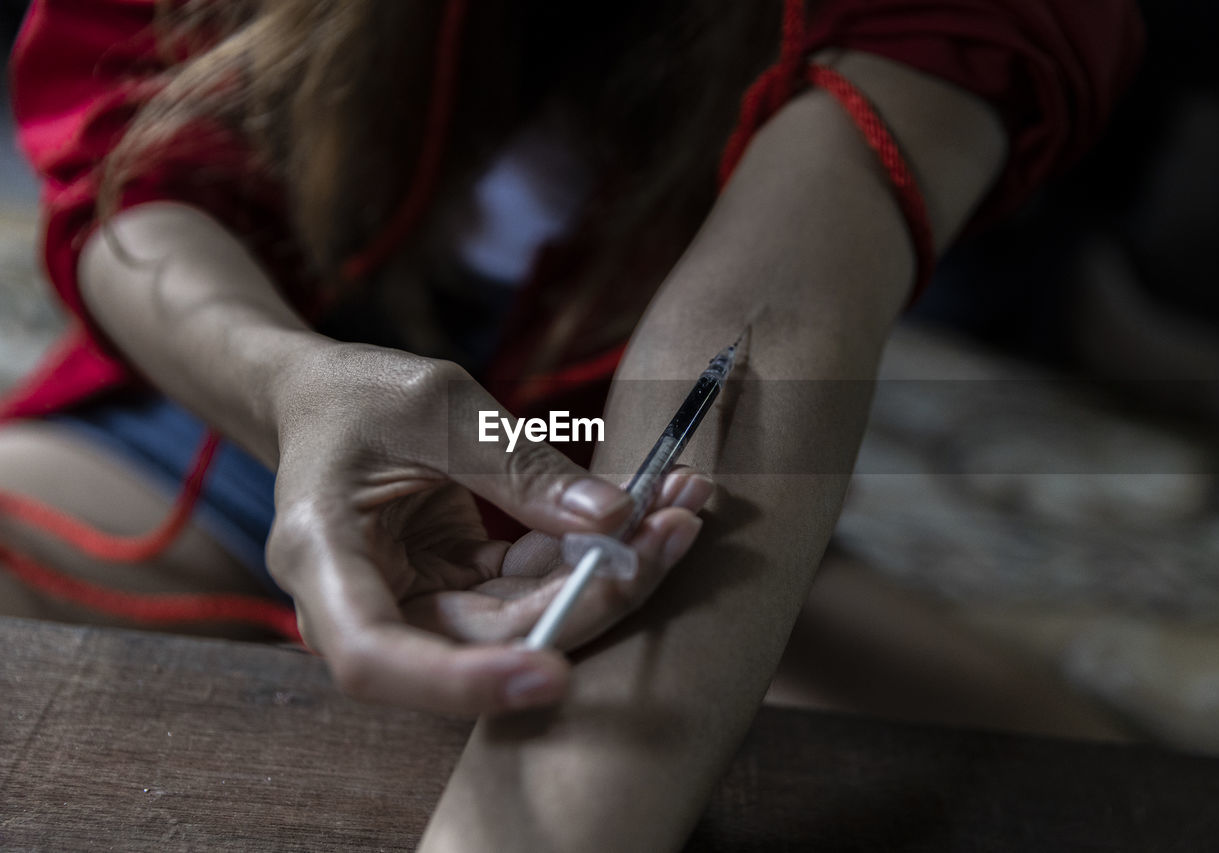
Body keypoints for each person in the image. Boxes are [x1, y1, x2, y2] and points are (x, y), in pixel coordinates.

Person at [0, 0, 1143, 849]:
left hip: (616, 495)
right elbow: (125, 172)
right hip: (240, 402)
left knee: (1104, 803)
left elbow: (782, 306)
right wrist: (288, 384)